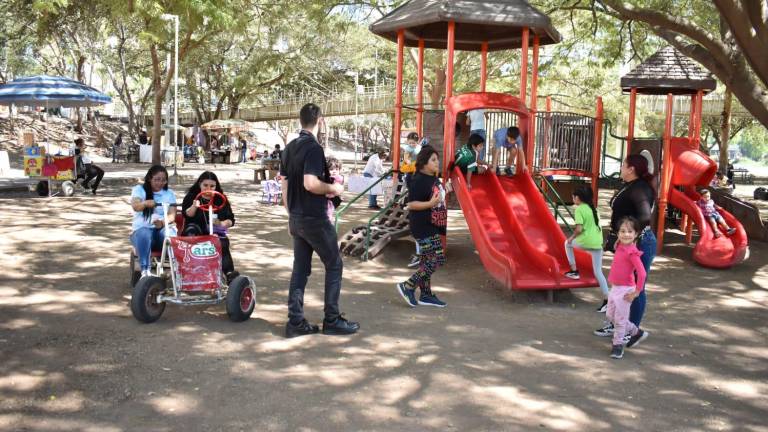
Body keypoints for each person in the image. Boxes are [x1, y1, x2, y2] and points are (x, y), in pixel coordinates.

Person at [280, 103, 359, 338]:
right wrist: (334, 187)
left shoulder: (289, 147)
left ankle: (295, 321)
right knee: (334, 264)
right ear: (320, 120)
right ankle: (332, 319)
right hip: (314, 218)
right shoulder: (313, 148)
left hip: (296, 217)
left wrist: (291, 212)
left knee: (300, 270)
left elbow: (285, 185)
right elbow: (310, 183)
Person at [594, 154, 656, 349]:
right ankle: (618, 324)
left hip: (639, 244)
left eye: (623, 165)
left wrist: (629, 236)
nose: (621, 167)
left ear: (631, 169)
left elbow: (645, 217)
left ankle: (633, 330)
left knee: (637, 288)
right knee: (621, 284)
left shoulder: (640, 189)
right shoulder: (630, 185)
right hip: (626, 244)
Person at [396, 146, 448, 308]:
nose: (437, 162)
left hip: (431, 223)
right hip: (422, 225)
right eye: (433, 160)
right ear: (424, 163)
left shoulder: (432, 177)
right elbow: (411, 204)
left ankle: (425, 294)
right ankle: (408, 286)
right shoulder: (418, 180)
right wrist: (431, 203)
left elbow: (437, 195)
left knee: (427, 259)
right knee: (437, 258)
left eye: (437, 159)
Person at [181, 171, 239, 282]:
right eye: (205, 185)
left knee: (222, 243)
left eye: (212, 186)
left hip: (215, 232)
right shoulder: (191, 197)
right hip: (195, 230)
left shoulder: (221, 199)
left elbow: (231, 219)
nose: (208, 189)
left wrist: (221, 223)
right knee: (191, 231)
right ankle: (190, 271)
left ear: (216, 186)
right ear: (200, 185)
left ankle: (229, 273)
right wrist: (194, 206)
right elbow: (186, 214)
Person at [605, 216, 648, 359]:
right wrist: (619, 240)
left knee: (620, 320)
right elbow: (619, 242)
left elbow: (641, 274)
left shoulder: (632, 253)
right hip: (615, 288)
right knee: (610, 315)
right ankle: (636, 332)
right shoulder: (619, 245)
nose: (626, 234)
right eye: (622, 231)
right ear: (618, 233)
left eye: (630, 231)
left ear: (636, 234)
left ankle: (617, 345)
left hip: (625, 291)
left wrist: (636, 292)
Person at [563, 185, 609, 312]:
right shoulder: (593, 208)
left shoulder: (579, 209)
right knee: (598, 272)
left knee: (567, 244)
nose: (573, 198)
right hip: (598, 243)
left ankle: (574, 271)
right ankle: (607, 300)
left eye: (573, 196)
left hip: (586, 241)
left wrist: (571, 238)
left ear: (577, 198)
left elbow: (579, 229)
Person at [130, 165, 177, 278]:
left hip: (161, 230)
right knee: (144, 233)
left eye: (163, 180)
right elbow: (136, 206)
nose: (160, 183)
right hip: (143, 231)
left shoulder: (169, 193)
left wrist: (162, 222)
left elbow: (172, 215)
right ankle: (145, 270)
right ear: (149, 178)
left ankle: (174, 266)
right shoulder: (139, 190)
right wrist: (145, 203)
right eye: (156, 179)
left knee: (168, 234)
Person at [325, 156, 344, 223]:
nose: (334, 171)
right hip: (327, 199)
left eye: (336, 169)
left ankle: (328, 223)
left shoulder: (337, 178)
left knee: (328, 212)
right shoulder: (327, 177)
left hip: (330, 199)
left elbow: (334, 191)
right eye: (331, 169)